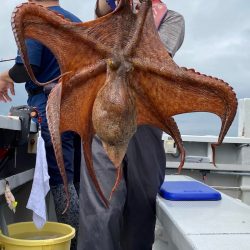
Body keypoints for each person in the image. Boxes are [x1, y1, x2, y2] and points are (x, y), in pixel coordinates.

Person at [77, 0, 185, 250]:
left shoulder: (171, 19)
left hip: (145, 121)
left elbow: (156, 57)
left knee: (141, 207)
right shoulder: (108, 17)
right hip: (103, 119)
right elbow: (101, 12)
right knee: (101, 210)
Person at [0, 1, 81, 249]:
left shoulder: (35, 19)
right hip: (78, 110)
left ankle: (73, 243)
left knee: (61, 183)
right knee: (75, 180)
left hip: (51, 109)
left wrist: (5, 76)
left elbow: (27, 68)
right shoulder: (77, 22)